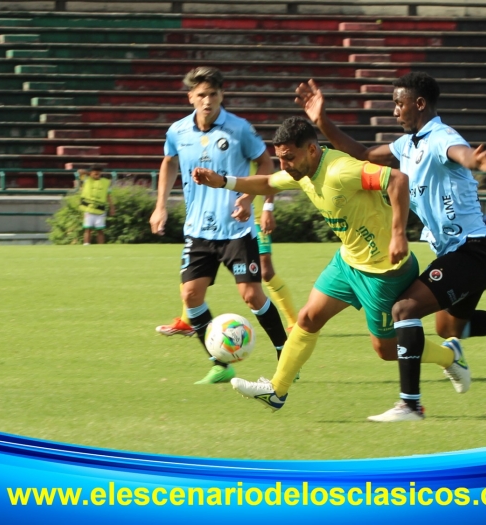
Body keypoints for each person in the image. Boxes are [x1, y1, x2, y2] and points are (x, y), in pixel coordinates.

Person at [294, 73, 486, 422]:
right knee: (450, 329)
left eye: (399, 103)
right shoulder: (409, 144)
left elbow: (459, 152)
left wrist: (474, 161)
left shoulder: (441, 137)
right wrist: (321, 121)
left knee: (403, 310)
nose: (395, 111)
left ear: (419, 104)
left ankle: (411, 405)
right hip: (462, 254)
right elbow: (363, 153)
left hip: (473, 251)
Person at [192, 116, 471, 412]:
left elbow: (397, 179)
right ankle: (277, 391)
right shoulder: (302, 172)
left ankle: (450, 356)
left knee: (386, 350)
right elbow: (268, 182)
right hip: (348, 263)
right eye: (280, 158)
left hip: (383, 272)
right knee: (308, 318)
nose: (284, 165)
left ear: (311, 150)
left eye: (288, 158)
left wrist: (399, 235)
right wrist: (223, 182)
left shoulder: (340, 170)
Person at [149, 66, 288, 384]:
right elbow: (169, 162)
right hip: (198, 230)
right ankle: (220, 364)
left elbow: (265, 162)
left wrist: (249, 199)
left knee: (252, 295)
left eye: (213, 94)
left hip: (236, 230)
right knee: (191, 296)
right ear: (191, 98)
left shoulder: (239, 129)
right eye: (201, 95)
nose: (207, 100)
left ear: (222, 95)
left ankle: (286, 353)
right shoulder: (178, 132)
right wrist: (160, 206)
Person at [155, 167, 298, 338]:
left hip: (254, 221)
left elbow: (268, 176)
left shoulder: (248, 145)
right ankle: (187, 321)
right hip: (223, 223)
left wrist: (268, 208)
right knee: (194, 277)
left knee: (265, 272)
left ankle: (293, 322)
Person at [78, 165, 115, 245]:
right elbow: (80, 172)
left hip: (100, 210)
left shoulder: (105, 182)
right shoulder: (86, 180)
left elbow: (108, 196)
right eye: (95, 172)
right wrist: (89, 173)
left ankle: (100, 246)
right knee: (88, 229)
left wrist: (112, 208)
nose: (97, 173)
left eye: (99, 172)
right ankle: (86, 244)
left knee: (100, 230)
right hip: (89, 209)